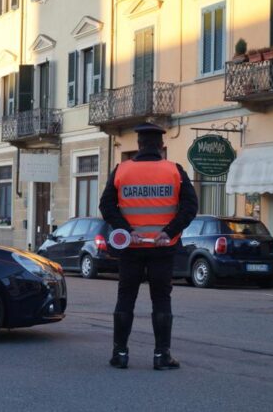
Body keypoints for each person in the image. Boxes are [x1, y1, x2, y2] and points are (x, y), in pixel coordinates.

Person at [99, 123, 198, 370]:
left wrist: (128, 231)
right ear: (162, 147)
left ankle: (120, 354)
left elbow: (107, 206)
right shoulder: (174, 170)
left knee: (126, 297)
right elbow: (189, 207)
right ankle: (161, 356)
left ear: (139, 146)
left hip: (131, 248)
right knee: (161, 299)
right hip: (162, 246)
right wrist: (168, 232)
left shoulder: (121, 170)